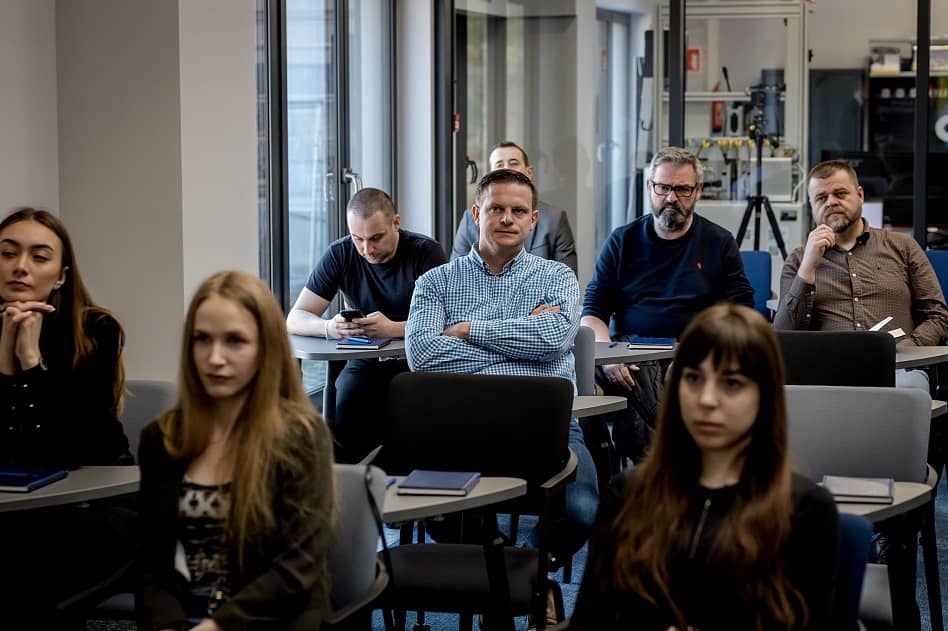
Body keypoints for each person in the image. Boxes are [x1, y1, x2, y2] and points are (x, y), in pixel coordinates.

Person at [570, 304, 840, 631]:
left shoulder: (803, 510)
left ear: (764, 397)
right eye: (694, 379)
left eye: (731, 384)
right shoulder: (628, 495)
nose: (707, 399)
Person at [406, 168, 598, 608]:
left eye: (518, 211)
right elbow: (423, 355)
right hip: (461, 424)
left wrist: (467, 329)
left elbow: (553, 340)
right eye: (496, 209)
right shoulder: (435, 282)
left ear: (533, 220)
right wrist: (522, 344)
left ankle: (523, 566)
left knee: (582, 510)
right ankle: (508, 578)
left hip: (547, 425)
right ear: (477, 214)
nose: (507, 218)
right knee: (439, 514)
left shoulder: (557, 278)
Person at [138, 271, 334, 631]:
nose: (215, 358)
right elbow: (153, 565)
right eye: (202, 339)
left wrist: (216, 627)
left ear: (265, 348)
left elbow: (297, 568)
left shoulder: (302, 437)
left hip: (274, 620)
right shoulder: (161, 439)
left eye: (235, 341)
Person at [0, 207, 134, 625]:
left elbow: (70, 446)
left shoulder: (96, 331)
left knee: (37, 561)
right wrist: (4, 363)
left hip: (95, 504)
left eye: (39, 257)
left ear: (60, 276)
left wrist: (29, 362)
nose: (20, 267)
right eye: (7, 253)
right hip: (18, 511)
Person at [581, 146, 754, 465]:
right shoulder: (622, 241)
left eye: (682, 189)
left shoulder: (719, 242)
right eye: (663, 187)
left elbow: (741, 315)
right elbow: (592, 312)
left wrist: (695, 354)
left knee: (648, 385)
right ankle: (658, 462)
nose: (671, 198)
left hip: (694, 350)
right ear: (650, 187)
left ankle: (650, 465)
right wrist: (608, 355)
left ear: (698, 190)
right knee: (590, 373)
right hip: (630, 352)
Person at [286, 188, 446, 462]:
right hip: (366, 362)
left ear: (396, 223)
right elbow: (296, 317)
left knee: (412, 437)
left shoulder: (425, 252)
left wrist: (392, 329)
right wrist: (330, 327)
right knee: (337, 435)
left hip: (418, 361)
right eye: (357, 238)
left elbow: (448, 322)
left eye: (376, 238)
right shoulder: (341, 253)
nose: (366, 249)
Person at [774, 159, 948, 389]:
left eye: (840, 194)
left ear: (860, 195)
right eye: (821, 198)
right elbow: (783, 336)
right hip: (826, 371)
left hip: (897, 368)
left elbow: (938, 316)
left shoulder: (902, 246)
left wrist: (908, 347)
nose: (831, 202)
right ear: (812, 206)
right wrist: (808, 269)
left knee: (907, 390)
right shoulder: (799, 259)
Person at [451, 141, 578, 274]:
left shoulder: (555, 219)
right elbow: (457, 274)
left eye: (513, 163)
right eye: (499, 164)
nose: (506, 169)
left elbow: (566, 277)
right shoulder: (470, 219)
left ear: (529, 172)